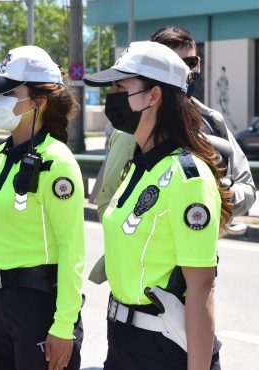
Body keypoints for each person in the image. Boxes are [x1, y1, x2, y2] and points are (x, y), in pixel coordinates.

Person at [84, 41, 228, 370]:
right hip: (124, 341)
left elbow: (201, 285)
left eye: (120, 88)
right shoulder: (139, 165)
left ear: (154, 96)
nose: (111, 98)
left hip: (166, 348)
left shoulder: (187, 177)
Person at [0, 46, 85, 370]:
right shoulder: (3, 154)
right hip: (2, 302)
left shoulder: (57, 161)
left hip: (40, 306)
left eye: (9, 93)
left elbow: (72, 249)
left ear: (39, 101)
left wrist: (64, 325)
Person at [96, 26, 254, 226]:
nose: (184, 70)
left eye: (190, 62)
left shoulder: (211, 120)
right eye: (173, 62)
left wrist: (208, 197)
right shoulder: (131, 128)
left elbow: (246, 187)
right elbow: (108, 204)